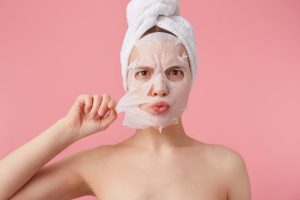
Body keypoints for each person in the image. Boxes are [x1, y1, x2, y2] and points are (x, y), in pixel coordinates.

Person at [0, 1, 251, 200]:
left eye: (175, 72)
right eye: (143, 73)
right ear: (127, 82)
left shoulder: (226, 166)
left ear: (191, 77)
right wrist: (67, 130)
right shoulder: (98, 163)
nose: (159, 88)